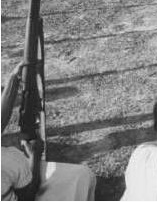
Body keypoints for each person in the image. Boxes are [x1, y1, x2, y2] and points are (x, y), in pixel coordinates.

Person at [1, 62, 96, 200]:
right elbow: (28, 195)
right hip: (24, 192)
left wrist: (13, 80)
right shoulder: (8, 161)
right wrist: (35, 157)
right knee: (82, 175)